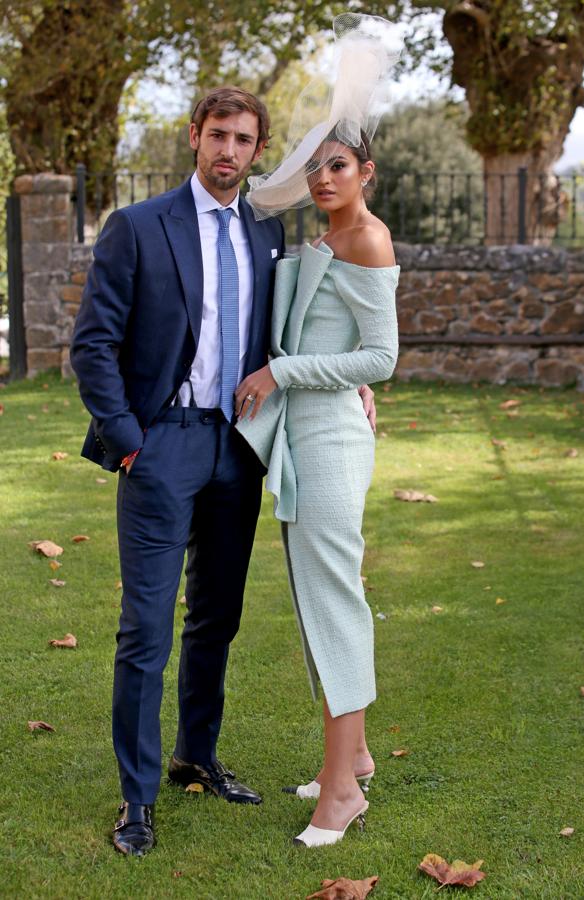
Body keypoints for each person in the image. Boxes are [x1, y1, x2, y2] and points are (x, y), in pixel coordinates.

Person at [70, 85, 375, 857]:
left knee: (217, 617)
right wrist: (128, 438)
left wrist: (355, 374)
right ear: (195, 138)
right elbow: (93, 344)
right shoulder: (137, 227)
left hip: (238, 448)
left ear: (256, 149)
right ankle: (136, 800)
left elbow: (296, 323)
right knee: (146, 629)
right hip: (160, 444)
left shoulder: (266, 233)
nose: (229, 151)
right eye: (218, 136)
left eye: (243, 139)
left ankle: (194, 757)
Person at [234, 13, 400, 847]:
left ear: (364, 170)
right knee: (311, 601)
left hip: (331, 441)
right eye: (316, 166)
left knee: (334, 602)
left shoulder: (367, 237)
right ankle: (356, 755)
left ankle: (343, 792)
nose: (324, 176)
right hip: (303, 441)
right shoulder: (322, 234)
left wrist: (284, 373)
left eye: (337, 165)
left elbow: (381, 357)